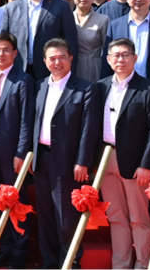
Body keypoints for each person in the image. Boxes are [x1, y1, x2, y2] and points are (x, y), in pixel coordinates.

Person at [20, 39, 100, 270]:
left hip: (69, 162)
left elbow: (89, 129)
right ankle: (49, 262)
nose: (57, 62)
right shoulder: (39, 86)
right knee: (45, 214)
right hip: (41, 158)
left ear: (71, 58)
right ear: (44, 61)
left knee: (67, 217)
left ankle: (71, 262)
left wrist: (83, 161)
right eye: (52, 58)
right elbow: (32, 123)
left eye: (61, 57)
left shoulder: (85, 88)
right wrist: (30, 154)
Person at [95, 39, 150, 270]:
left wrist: (146, 164)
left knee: (139, 218)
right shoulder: (100, 87)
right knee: (116, 217)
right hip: (105, 159)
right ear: (108, 59)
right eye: (116, 55)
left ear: (135, 58)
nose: (120, 59)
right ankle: (121, 265)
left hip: (135, 163)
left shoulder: (149, 88)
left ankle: (143, 265)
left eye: (126, 55)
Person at [0, 33, 34, 269]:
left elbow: (26, 120)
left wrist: (21, 153)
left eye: (6, 49)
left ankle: (20, 251)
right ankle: (5, 247)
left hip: (11, 150)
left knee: (16, 200)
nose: (1, 54)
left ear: (15, 53)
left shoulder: (24, 80)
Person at [3, 0, 81, 80]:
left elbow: (71, 42)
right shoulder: (11, 8)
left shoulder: (61, 6)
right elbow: (4, 40)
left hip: (50, 71)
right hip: (18, 70)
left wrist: (69, 73)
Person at [69, 0, 109, 81]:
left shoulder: (103, 20)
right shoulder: (67, 18)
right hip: (72, 66)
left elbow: (108, 50)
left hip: (94, 67)